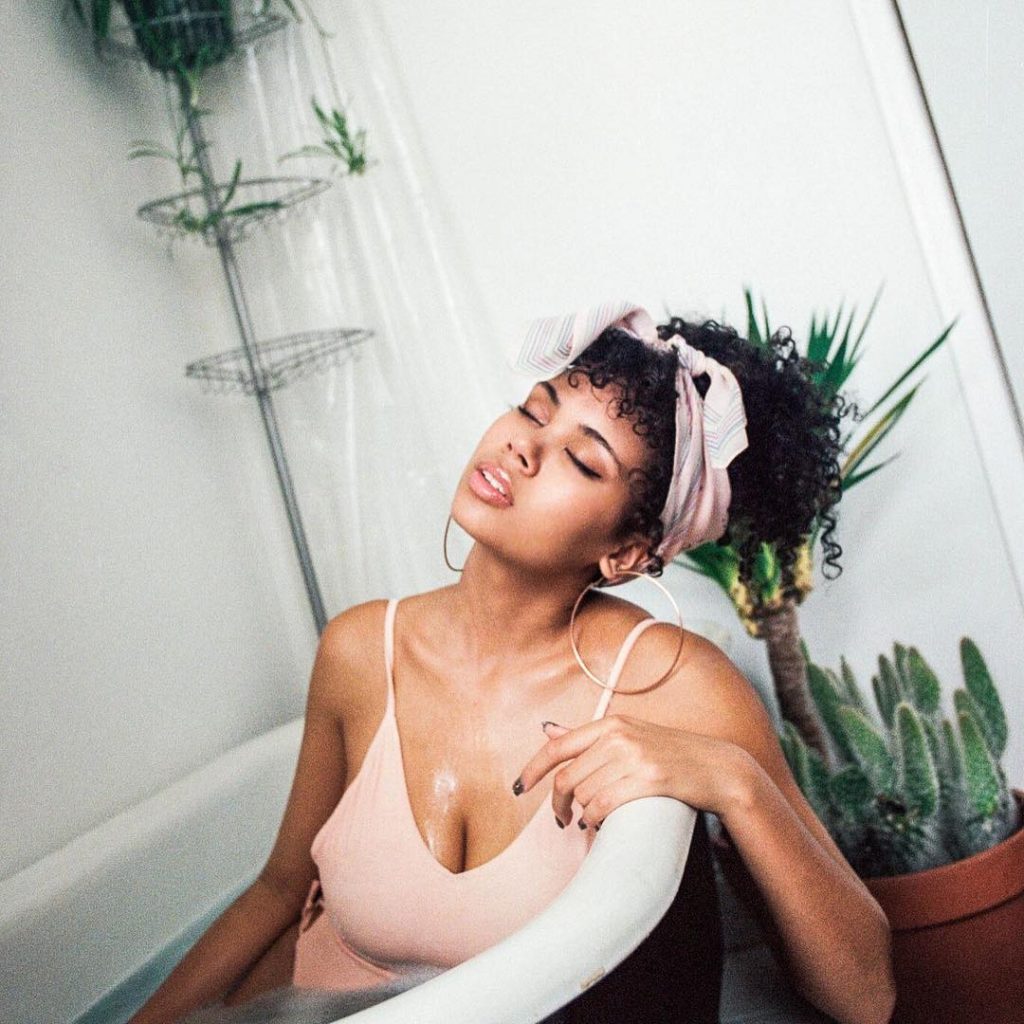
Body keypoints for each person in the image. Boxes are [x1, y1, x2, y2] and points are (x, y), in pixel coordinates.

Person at [129, 302, 896, 1024]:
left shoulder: (675, 684)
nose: (521, 447)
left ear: (626, 554)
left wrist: (734, 781)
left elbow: (866, 997)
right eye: (533, 410)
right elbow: (277, 893)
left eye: (582, 461)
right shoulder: (358, 649)